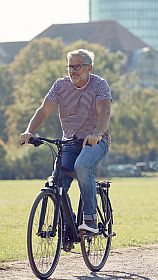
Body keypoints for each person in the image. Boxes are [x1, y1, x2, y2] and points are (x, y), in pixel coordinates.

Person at [20, 48, 112, 233]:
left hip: (95, 140)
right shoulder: (60, 85)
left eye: (78, 66)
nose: (73, 71)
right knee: (57, 182)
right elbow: (44, 110)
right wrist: (29, 131)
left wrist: (97, 134)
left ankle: (90, 219)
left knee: (82, 166)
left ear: (89, 68)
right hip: (69, 142)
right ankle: (69, 227)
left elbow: (105, 111)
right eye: (70, 67)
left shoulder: (99, 84)